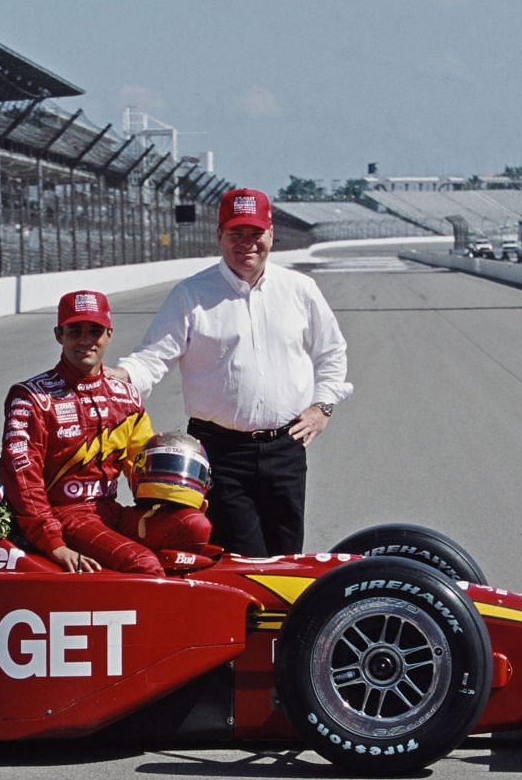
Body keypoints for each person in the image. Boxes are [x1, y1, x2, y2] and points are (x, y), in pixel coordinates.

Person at [114, 186, 351, 556]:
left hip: (286, 449)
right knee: (243, 560)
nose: (247, 244)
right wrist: (120, 378)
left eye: (256, 234)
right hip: (220, 453)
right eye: (236, 234)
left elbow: (332, 352)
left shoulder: (300, 290)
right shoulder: (191, 295)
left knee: (287, 559)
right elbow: (153, 358)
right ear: (219, 236)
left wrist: (323, 407)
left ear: (271, 234)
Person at [2, 290, 162, 575]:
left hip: (109, 512)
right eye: (75, 331)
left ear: (109, 334)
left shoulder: (127, 397)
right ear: (58, 335)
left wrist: (179, 501)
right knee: (144, 564)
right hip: (64, 517)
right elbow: (23, 480)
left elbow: (145, 467)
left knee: (194, 528)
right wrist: (54, 544)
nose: (86, 340)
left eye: (95, 331)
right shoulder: (32, 398)